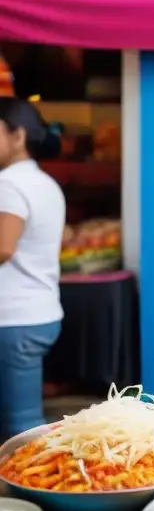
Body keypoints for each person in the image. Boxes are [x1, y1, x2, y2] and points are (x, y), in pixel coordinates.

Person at [0, 97, 65, 440]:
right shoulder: (45, 182)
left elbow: (3, 248)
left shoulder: (9, 184)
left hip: (13, 319)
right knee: (20, 423)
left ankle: (34, 492)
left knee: (20, 431)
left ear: (18, 136)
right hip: (38, 313)